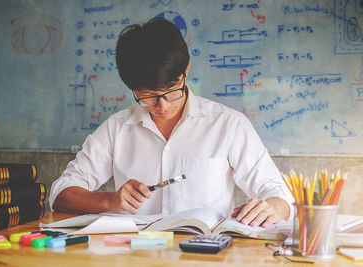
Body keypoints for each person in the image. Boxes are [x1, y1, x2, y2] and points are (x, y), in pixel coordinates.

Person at [50, 18, 294, 227]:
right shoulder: (116, 129)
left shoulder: (229, 124)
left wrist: (272, 207)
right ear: (131, 87)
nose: (162, 105)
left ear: (186, 69)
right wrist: (110, 200)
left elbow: (281, 195)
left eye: (171, 91)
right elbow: (61, 193)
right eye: (147, 95)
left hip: (204, 257)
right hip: (134, 256)